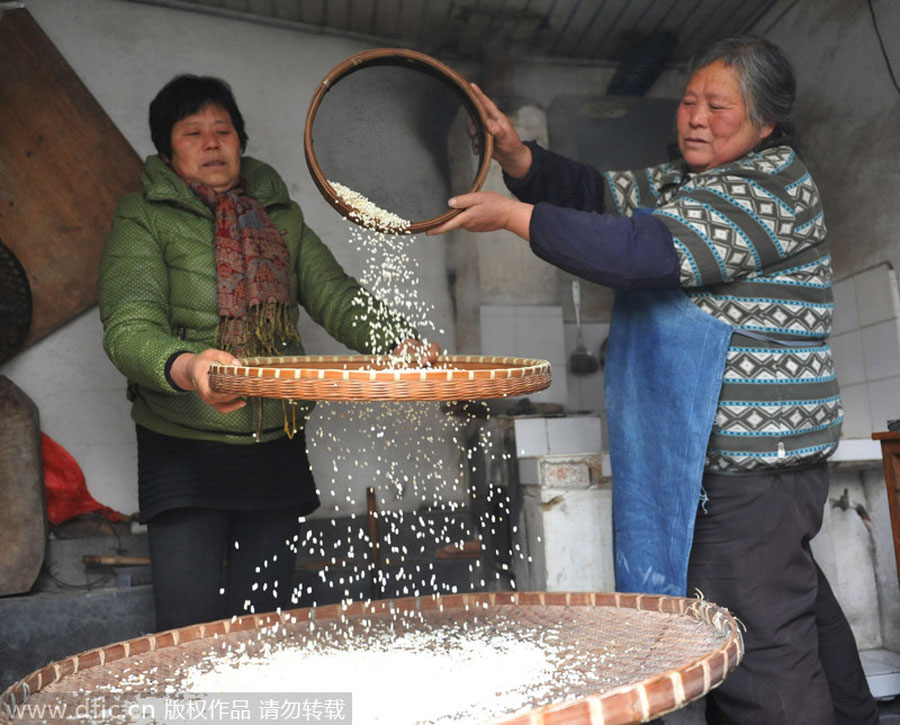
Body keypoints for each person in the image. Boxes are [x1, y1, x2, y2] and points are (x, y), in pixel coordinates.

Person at [428, 37, 878, 725]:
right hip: (737, 465)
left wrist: (517, 219)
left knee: (757, 647)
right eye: (689, 101)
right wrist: (520, 160)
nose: (695, 117)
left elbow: (642, 251)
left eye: (718, 106)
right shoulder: (690, 181)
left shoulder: (767, 185)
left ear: (765, 122)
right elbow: (603, 198)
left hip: (755, 461)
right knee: (792, 608)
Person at [99, 74, 437, 633]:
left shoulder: (280, 216)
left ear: (241, 141)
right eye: (193, 133)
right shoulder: (143, 217)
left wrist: (398, 340)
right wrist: (190, 366)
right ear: (166, 149)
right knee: (188, 625)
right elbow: (130, 324)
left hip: (272, 444)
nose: (212, 143)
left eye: (223, 130)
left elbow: (337, 296)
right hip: (184, 447)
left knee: (264, 622)